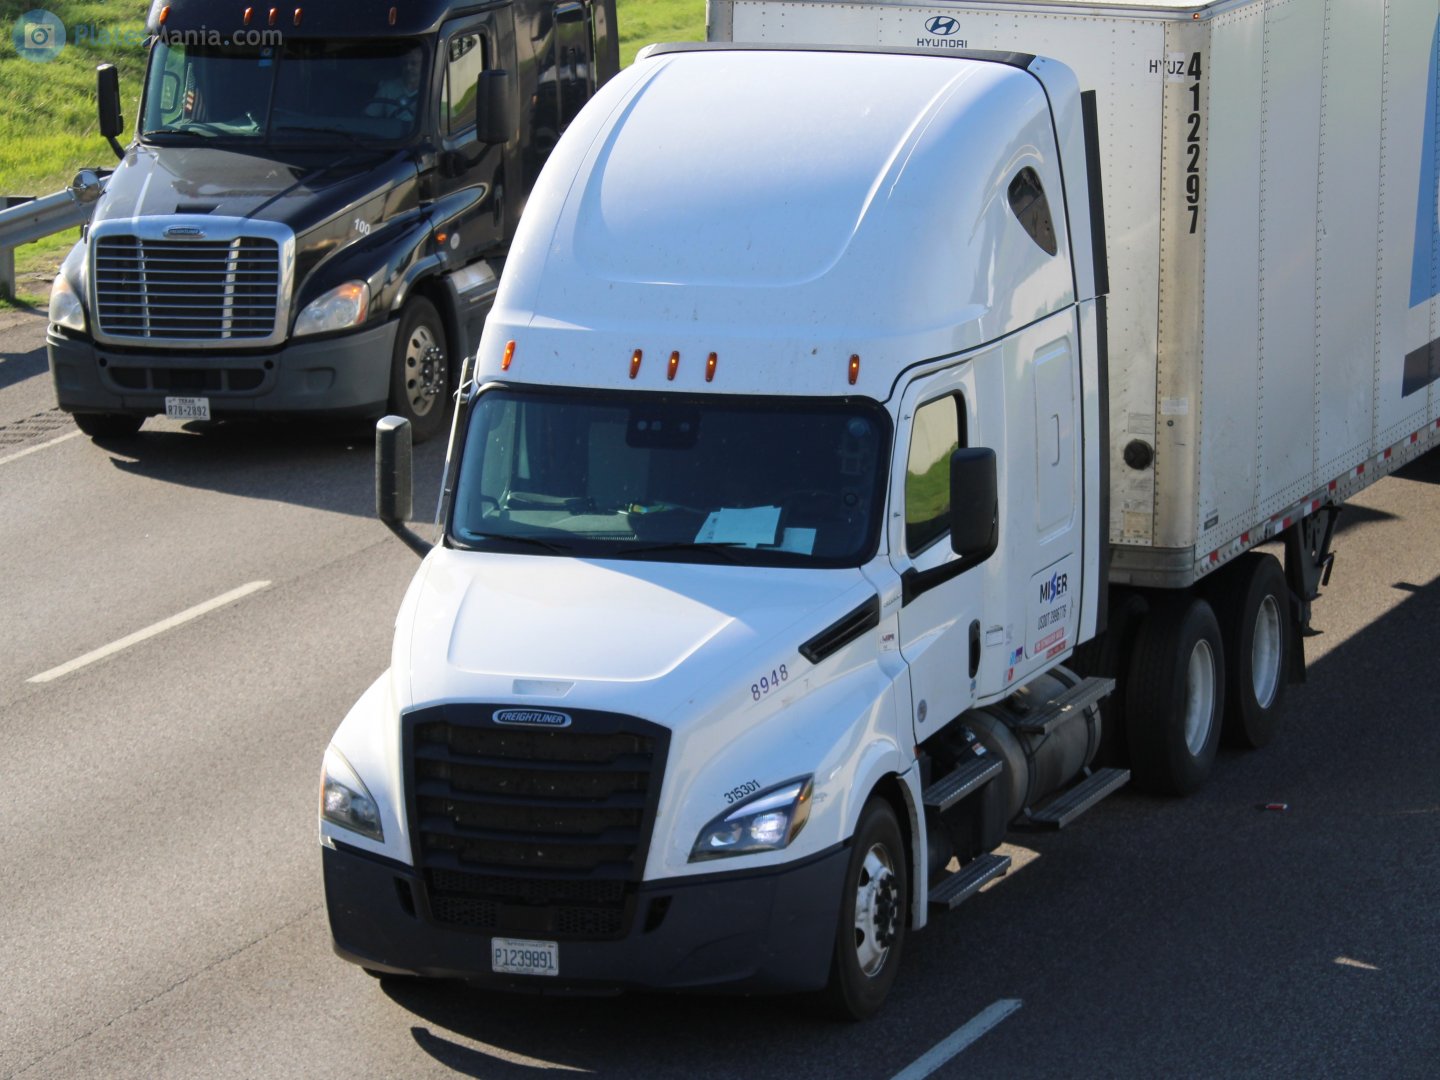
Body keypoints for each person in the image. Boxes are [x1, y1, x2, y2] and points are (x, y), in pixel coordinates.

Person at [366, 49, 423, 122]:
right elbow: (370, 117)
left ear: (424, 65)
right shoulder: (388, 87)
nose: (408, 68)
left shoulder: (432, 89)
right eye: (404, 64)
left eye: (413, 63)